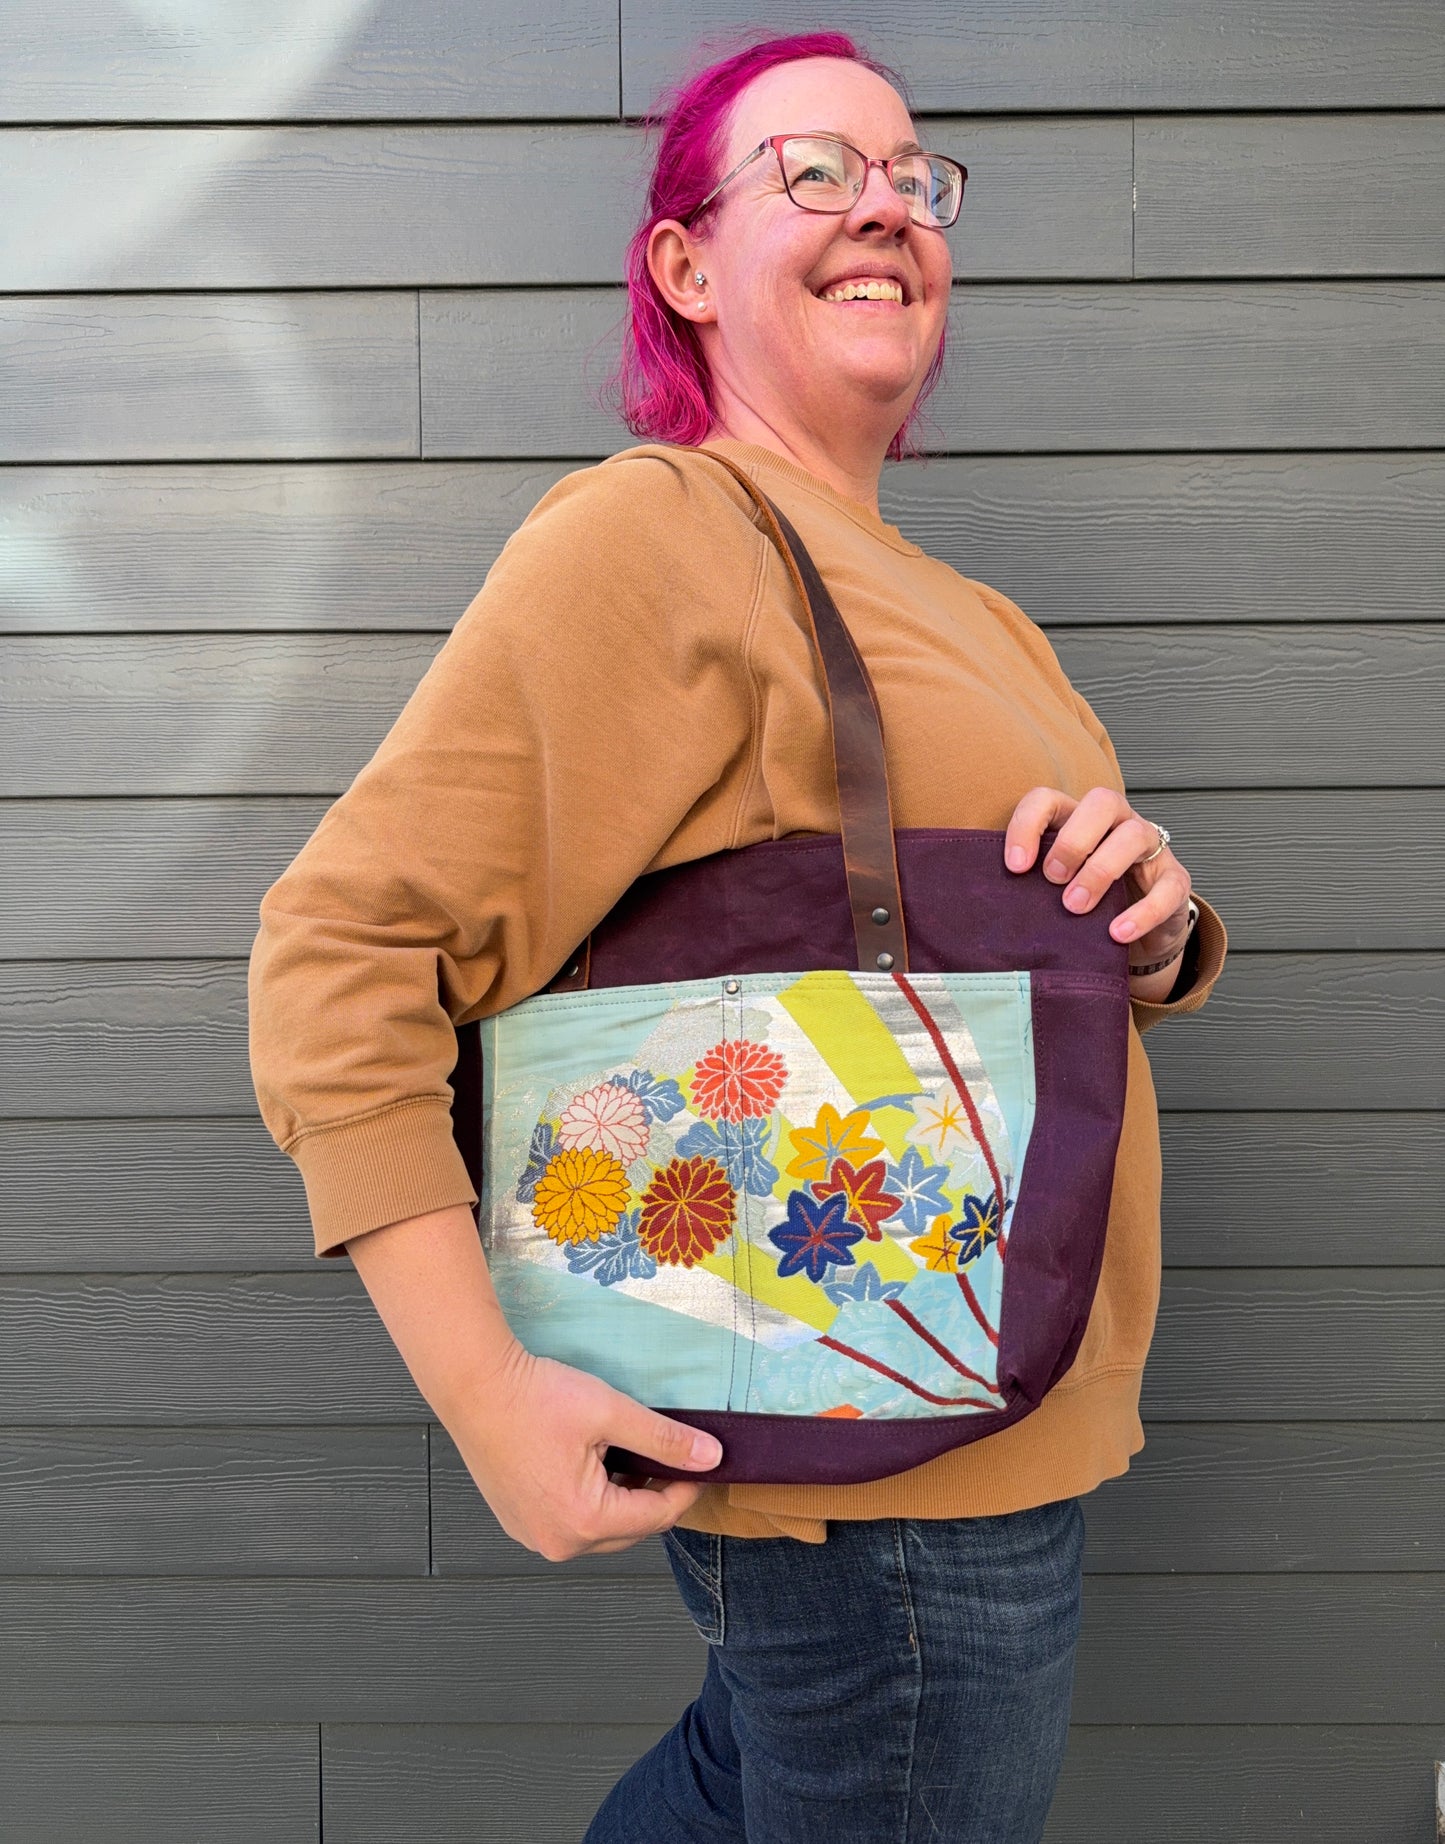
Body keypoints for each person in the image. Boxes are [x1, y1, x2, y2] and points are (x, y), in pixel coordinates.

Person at [248, 30, 1227, 1843]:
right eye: (811, 172)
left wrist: (1146, 927)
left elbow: (1009, 977)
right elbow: (341, 950)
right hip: (890, 1503)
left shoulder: (960, 602)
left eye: (913, 176)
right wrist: (479, 1392)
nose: (885, 207)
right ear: (684, 268)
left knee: (732, 1791)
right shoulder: (665, 533)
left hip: (987, 1432)